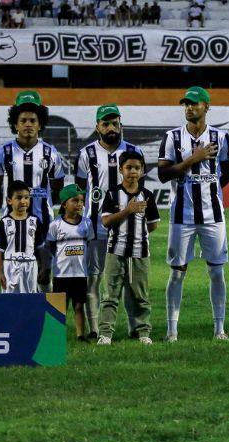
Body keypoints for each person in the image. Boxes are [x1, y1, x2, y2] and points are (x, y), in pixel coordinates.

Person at [158, 87, 229, 342]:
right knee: (177, 272)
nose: (189, 107)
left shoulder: (221, 137)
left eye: (194, 103)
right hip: (182, 217)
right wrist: (194, 159)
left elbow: (224, 174)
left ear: (206, 107)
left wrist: (207, 188)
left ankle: (219, 329)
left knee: (216, 272)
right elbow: (163, 174)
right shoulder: (172, 137)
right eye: (186, 104)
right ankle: (172, 331)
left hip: (213, 216)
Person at [75, 104, 144, 341]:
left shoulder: (134, 152)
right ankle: (95, 328)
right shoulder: (86, 154)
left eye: (115, 123)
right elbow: (81, 190)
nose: (111, 127)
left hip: (129, 230)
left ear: (121, 124)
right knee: (94, 278)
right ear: (97, 127)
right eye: (106, 124)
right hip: (97, 227)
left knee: (130, 280)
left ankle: (135, 327)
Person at [0, 90, 64, 293]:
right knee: (11, 272)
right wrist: (8, 206)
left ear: (40, 124)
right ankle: (13, 321)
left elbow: (58, 189)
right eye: (23, 120)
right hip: (12, 222)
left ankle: (45, 319)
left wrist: (42, 201)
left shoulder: (51, 153)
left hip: (44, 222)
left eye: (33, 120)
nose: (28, 124)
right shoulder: (2, 153)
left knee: (43, 272)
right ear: (15, 124)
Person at [97, 152, 160, 345]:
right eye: (129, 167)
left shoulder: (147, 195)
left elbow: (153, 224)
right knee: (110, 294)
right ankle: (105, 334)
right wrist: (127, 211)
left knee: (140, 295)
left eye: (137, 168)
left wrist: (138, 235)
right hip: (115, 251)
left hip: (140, 253)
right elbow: (106, 221)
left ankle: (143, 332)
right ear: (121, 170)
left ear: (142, 171)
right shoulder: (111, 194)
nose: (133, 172)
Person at [47, 185, 94, 342]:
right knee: (60, 307)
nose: (80, 204)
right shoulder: (56, 225)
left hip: (80, 273)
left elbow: (89, 245)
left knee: (79, 306)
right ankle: (54, 335)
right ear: (64, 204)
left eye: (81, 201)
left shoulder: (87, 223)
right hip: (62, 274)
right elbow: (50, 246)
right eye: (75, 200)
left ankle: (81, 335)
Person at [0, 181, 47, 294]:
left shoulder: (35, 221)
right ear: (9, 200)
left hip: (30, 265)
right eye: (18, 198)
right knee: (9, 299)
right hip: (10, 265)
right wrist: (0, 271)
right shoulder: (4, 222)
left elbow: (40, 246)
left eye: (26, 198)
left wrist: (43, 266)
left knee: (30, 299)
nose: (23, 201)